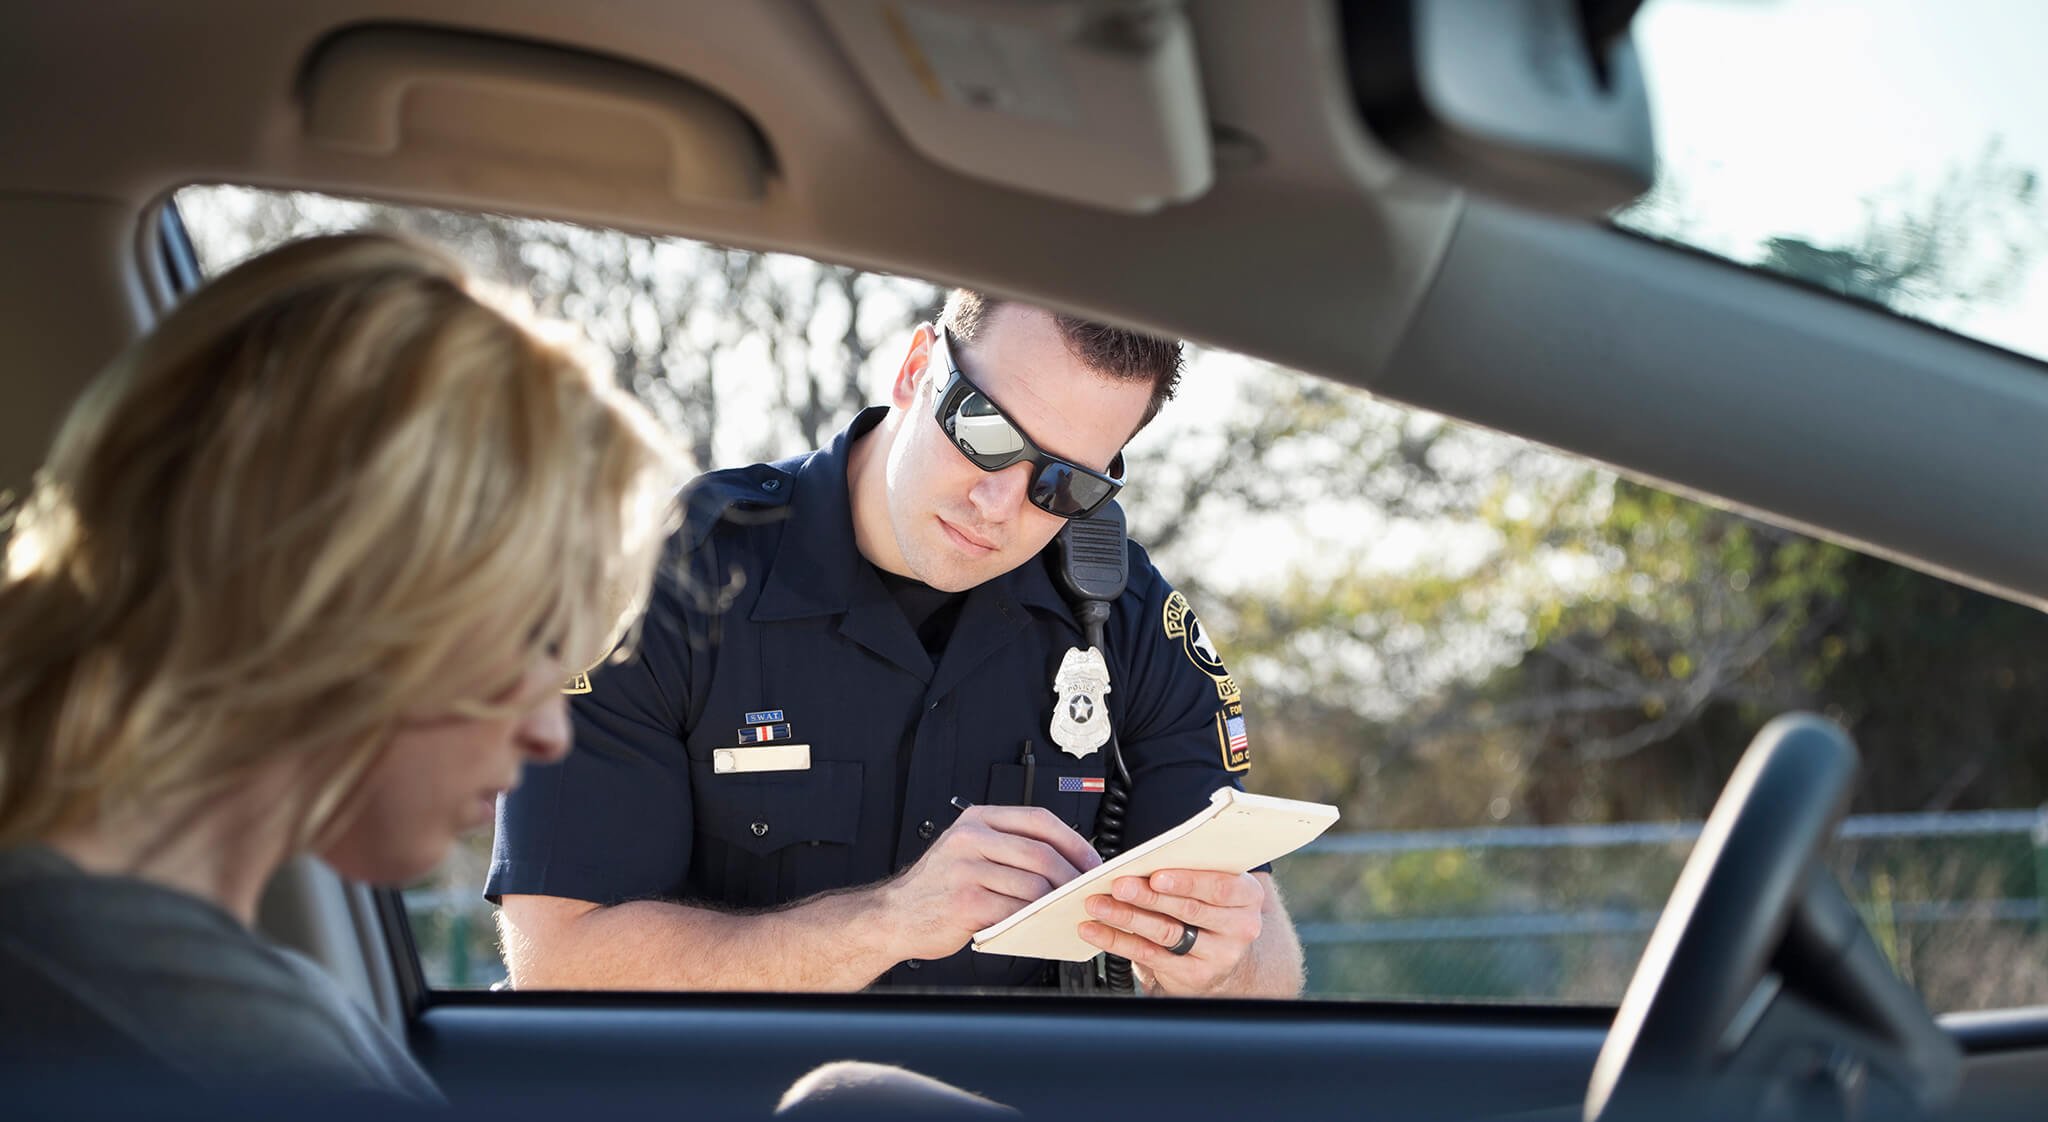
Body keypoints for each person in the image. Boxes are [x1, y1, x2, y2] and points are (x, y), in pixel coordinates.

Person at [0, 233, 676, 1097]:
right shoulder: (214, 1056)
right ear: (352, 593)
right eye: (534, 637)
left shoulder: (137, 983)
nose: (550, 732)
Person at [492, 291, 1306, 996]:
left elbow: (1267, 957)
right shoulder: (656, 584)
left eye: (1064, 483)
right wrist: (884, 922)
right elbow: (559, 959)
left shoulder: (1125, 618)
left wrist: (1216, 959)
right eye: (985, 431)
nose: (998, 502)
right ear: (917, 367)